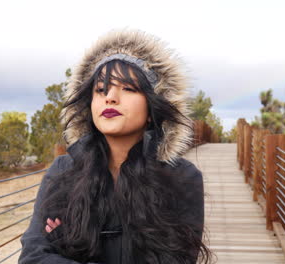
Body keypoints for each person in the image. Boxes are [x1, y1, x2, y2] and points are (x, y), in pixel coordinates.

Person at [18, 28, 211, 264]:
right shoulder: (63, 170)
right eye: (100, 89)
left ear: (152, 109)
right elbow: (32, 256)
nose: (110, 97)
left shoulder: (183, 177)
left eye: (128, 88)